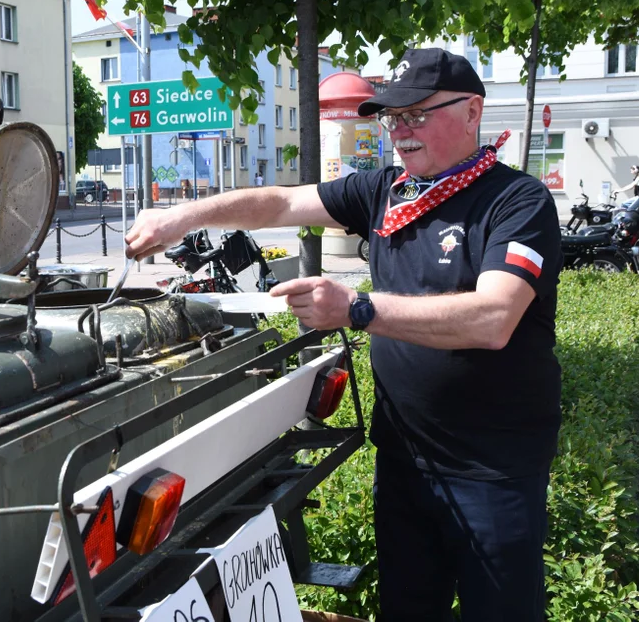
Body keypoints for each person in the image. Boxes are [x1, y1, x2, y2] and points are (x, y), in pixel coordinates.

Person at [126, 48, 562, 620]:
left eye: (418, 115)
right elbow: (281, 201)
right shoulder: (387, 192)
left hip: (493, 473)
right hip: (405, 462)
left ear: (473, 111)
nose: (401, 132)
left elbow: (494, 318)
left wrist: (357, 309)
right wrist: (184, 216)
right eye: (392, 118)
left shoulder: (517, 200)